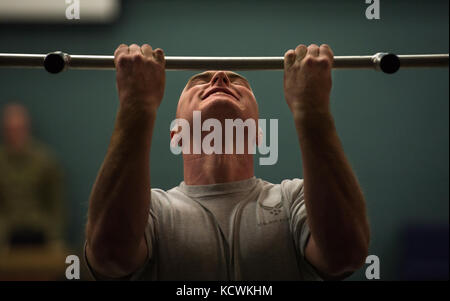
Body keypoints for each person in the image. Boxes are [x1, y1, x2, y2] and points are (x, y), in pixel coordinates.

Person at [85, 43, 370, 280]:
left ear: (258, 133)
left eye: (238, 82)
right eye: (198, 81)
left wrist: (311, 110)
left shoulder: (293, 198)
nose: (220, 77)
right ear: (176, 133)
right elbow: (110, 257)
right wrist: (137, 106)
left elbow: (346, 254)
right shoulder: (152, 211)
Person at [0, 103, 65, 250]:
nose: (15, 134)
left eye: (19, 129)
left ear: (27, 129)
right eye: (10, 129)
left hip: (40, 232)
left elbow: (56, 204)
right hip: (7, 235)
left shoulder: (46, 162)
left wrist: (54, 237)